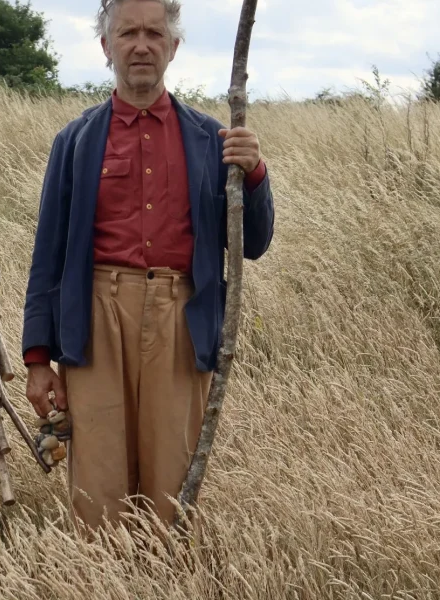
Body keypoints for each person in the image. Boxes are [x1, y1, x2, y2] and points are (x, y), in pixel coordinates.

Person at [21, 0, 275, 532]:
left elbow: (251, 244)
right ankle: (102, 577)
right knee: (99, 479)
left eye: (154, 34)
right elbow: (48, 255)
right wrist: (38, 358)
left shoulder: (212, 140)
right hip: (95, 319)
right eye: (128, 33)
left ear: (174, 47)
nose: (141, 45)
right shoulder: (75, 141)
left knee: (172, 477)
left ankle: (167, 577)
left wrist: (254, 176)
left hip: (182, 317)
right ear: (106, 46)